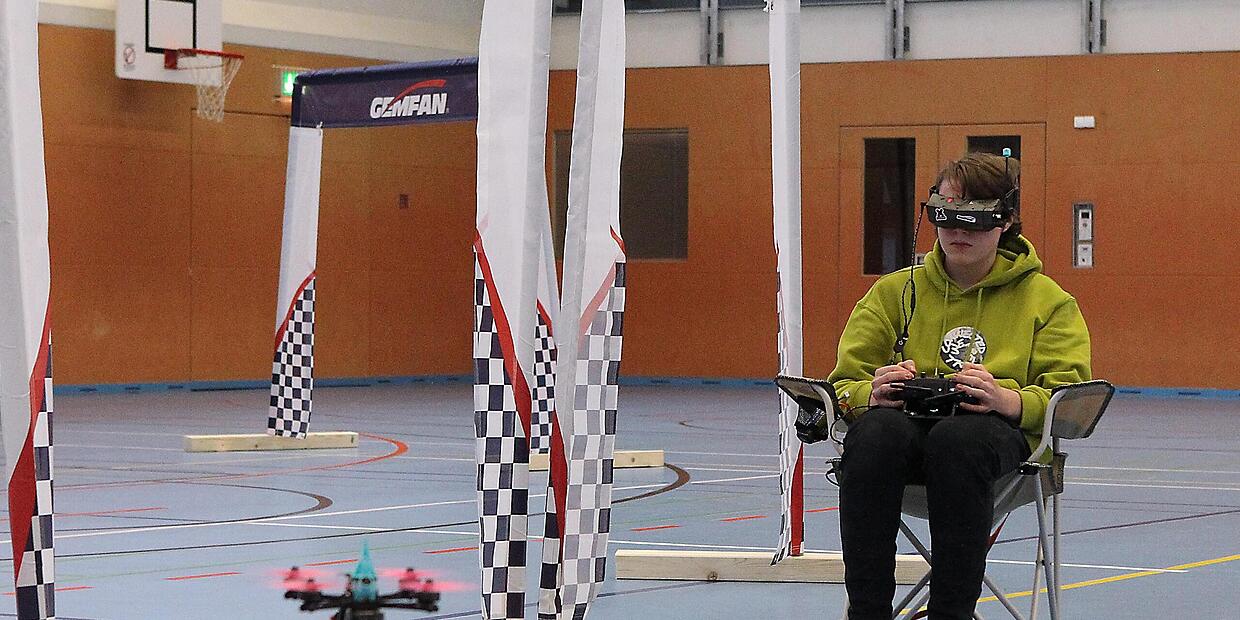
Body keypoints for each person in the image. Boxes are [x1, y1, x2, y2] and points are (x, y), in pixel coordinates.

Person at [827, 152, 1091, 620]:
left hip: (996, 449)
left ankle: (952, 614)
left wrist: (1008, 399)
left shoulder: (1049, 302)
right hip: (902, 444)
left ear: (1005, 221)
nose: (957, 232)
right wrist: (871, 392)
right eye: (946, 217)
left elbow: (1068, 398)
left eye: (974, 219)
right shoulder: (892, 293)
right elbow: (843, 385)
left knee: (958, 439)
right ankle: (866, 613)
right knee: (873, 434)